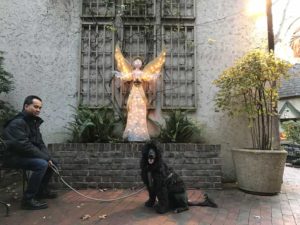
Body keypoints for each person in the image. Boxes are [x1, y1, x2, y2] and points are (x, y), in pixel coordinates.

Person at [2, 95, 57, 210]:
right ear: (26, 106)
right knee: (41, 164)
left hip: (24, 155)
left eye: (40, 108)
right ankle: (28, 200)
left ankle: (40, 192)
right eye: (35, 107)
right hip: (13, 157)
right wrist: (45, 159)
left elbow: (40, 143)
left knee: (53, 163)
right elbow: (23, 146)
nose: (38, 110)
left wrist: (48, 157)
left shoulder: (33, 122)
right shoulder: (17, 123)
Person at [114, 45, 166, 142]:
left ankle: (141, 133)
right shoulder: (133, 73)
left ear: (141, 63)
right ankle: (131, 132)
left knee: (141, 111)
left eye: (139, 61)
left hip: (140, 93)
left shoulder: (142, 73)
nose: (137, 62)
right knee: (132, 111)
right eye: (136, 61)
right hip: (134, 93)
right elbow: (127, 76)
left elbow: (148, 77)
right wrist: (120, 75)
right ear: (133, 63)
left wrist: (154, 75)